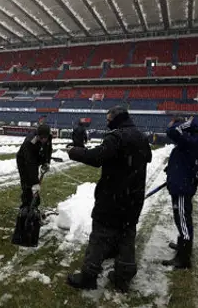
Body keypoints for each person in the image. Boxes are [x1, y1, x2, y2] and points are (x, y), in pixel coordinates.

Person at [65, 106, 152, 293]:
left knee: (100, 236)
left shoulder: (116, 137)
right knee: (127, 236)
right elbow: (148, 158)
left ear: (116, 119)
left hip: (113, 198)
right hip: (133, 198)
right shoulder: (141, 137)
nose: (106, 122)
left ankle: (89, 276)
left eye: (108, 119)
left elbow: (97, 158)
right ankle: (123, 276)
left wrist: (74, 151)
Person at [162, 115, 198, 269]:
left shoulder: (191, 140)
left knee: (183, 221)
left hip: (182, 188)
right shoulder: (192, 141)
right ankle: (182, 246)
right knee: (182, 219)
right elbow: (183, 160)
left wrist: (179, 122)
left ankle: (184, 258)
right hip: (182, 184)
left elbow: (171, 131)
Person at [16, 124, 52, 208]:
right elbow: (30, 164)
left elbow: (48, 149)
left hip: (35, 157)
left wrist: (46, 162)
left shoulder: (49, 137)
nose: (43, 140)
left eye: (45, 138)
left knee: (33, 180)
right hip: (23, 160)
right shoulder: (30, 142)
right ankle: (26, 204)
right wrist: (35, 183)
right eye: (41, 138)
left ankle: (34, 203)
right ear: (38, 135)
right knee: (26, 182)